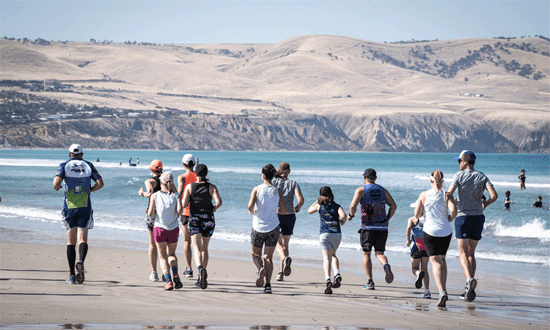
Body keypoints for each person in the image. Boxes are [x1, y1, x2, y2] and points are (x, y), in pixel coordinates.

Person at [446, 150, 497, 302]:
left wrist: (451, 206)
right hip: (478, 218)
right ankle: (469, 287)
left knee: (462, 253)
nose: (458, 163)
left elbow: (448, 194)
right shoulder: (482, 176)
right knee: (471, 253)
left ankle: (469, 279)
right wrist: (485, 204)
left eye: (459, 160)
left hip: (462, 218)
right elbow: (494, 196)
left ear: (466, 161)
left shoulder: (458, 175)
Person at [53, 144, 104, 285]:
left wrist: (57, 187)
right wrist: (89, 191)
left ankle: (71, 275)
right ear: (82, 154)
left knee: (71, 241)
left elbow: (56, 183)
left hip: (70, 206)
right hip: (85, 205)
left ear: (70, 154)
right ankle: (80, 260)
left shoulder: (64, 165)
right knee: (83, 238)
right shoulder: (88, 165)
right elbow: (100, 183)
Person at [412, 170, 457, 308]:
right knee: (442, 260)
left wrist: (423, 212)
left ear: (430, 180)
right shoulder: (447, 195)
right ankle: (444, 288)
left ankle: (441, 291)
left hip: (430, 232)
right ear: (442, 181)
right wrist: (448, 219)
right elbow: (454, 211)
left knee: (435, 262)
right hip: (446, 232)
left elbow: (417, 214)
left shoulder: (424, 195)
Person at [349, 168, 397, 290]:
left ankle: (370, 282)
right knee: (380, 253)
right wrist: (387, 219)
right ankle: (385, 265)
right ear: (375, 178)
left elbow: (353, 205)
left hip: (367, 227)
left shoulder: (361, 190)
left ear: (364, 178)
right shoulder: (382, 190)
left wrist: (351, 215)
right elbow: (393, 205)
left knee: (366, 254)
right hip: (382, 227)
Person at [182, 164, 222, 290]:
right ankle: (201, 277)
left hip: (194, 219)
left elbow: (184, 204)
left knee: (196, 247)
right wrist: (213, 209)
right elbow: (219, 202)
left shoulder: (190, 187)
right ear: (206, 174)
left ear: (196, 174)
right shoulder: (211, 187)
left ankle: (199, 268)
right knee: (205, 248)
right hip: (208, 219)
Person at [248, 164, 287, 294]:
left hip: (258, 227)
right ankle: (268, 285)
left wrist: (252, 211)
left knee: (255, 254)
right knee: (268, 257)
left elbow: (250, 206)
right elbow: (283, 211)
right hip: (273, 227)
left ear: (263, 176)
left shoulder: (257, 189)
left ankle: (260, 269)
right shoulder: (278, 191)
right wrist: (276, 210)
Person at [307, 186, 347, 294]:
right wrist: (341, 222)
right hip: (336, 234)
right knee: (333, 255)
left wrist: (317, 200)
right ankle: (337, 273)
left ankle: (328, 279)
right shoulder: (337, 206)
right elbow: (344, 216)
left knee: (326, 258)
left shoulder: (319, 206)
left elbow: (309, 210)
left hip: (324, 235)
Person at [147, 172, 183, 290]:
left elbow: (151, 213)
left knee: (162, 257)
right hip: (173, 229)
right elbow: (179, 212)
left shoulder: (155, 195)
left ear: (161, 181)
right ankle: (176, 274)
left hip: (159, 228)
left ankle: (169, 281)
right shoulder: (176, 196)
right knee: (171, 254)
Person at [272, 162, 305, 281]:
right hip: (290, 215)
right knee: (285, 244)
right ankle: (281, 271)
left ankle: (282, 268)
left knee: (277, 242)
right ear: (289, 172)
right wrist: (298, 207)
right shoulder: (294, 183)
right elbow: (301, 199)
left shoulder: (274, 182)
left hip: (277, 214)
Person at [138, 160, 165, 282]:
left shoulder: (149, 181)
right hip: (165, 214)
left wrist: (141, 193)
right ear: (161, 169)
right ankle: (166, 272)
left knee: (152, 243)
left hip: (152, 213)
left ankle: (154, 272)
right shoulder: (167, 181)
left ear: (151, 169)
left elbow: (149, 193)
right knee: (165, 244)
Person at [177, 154, 198, 278]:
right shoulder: (199, 176)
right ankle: (200, 267)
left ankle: (189, 269)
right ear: (194, 164)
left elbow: (180, 193)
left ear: (183, 164)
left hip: (186, 212)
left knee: (187, 241)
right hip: (197, 212)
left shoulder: (182, 177)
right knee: (198, 243)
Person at [405, 215, 430, 299]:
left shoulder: (412, 219)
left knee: (414, 268)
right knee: (425, 268)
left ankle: (418, 274)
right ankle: (427, 292)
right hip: (426, 246)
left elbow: (408, 228)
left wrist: (408, 240)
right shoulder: (428, 219)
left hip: (416, 246)